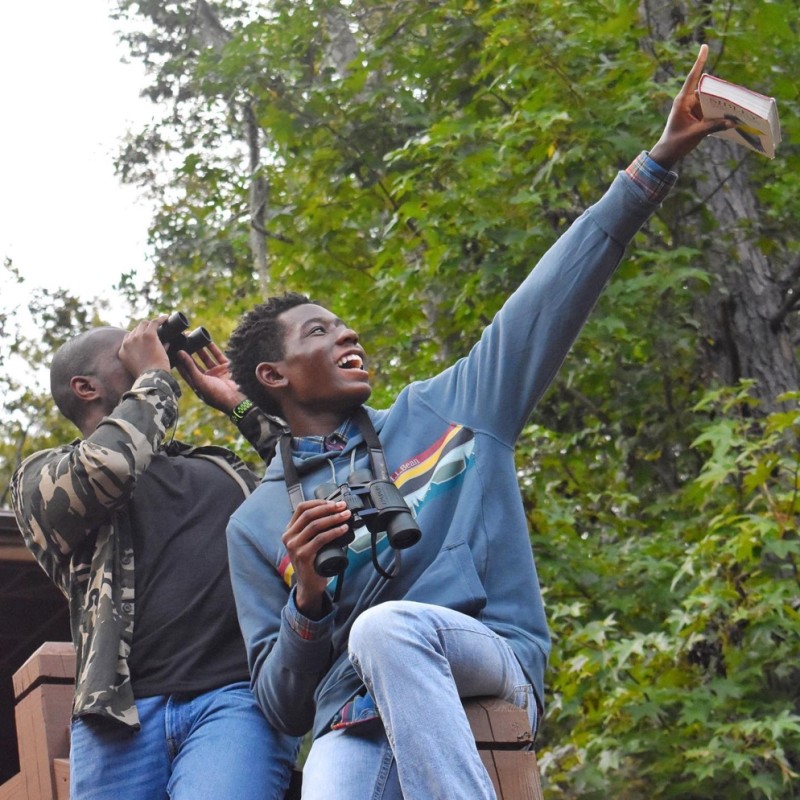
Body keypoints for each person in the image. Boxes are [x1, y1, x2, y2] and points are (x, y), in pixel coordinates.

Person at [223, 46, 733, 799]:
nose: (348, 336)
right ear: (275, 377)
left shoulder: (448, 410)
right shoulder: (257, 522)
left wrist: (656, 163)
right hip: (348, 714)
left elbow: (547, 298)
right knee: (329, 779)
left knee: (385, 628)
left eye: (345, 326)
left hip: (489, 655)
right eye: (320, 334)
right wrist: (305, 598)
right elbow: (280, 705)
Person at [10, 317, 299, 800]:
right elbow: (111, 466)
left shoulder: (220, 468)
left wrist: (238, 402)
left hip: (236, 700)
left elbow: (314, 476)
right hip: (119, 719)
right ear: (85, 387)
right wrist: (155, 378)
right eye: (127, 351)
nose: (149, 356)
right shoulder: (43, 476)